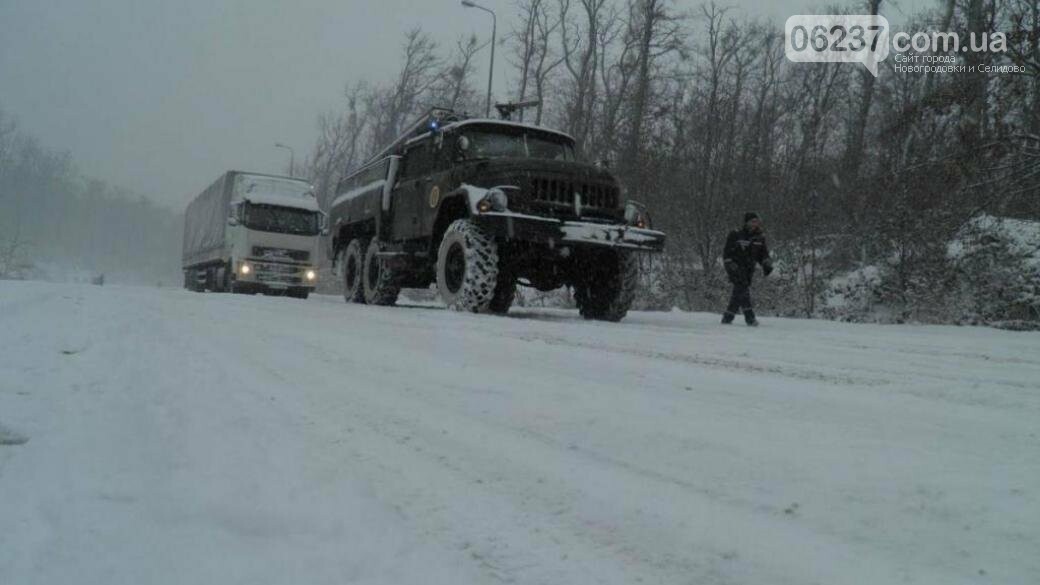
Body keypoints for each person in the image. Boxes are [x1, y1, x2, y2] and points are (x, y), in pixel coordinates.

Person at [722, 212, 773, 326]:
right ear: (747, 222)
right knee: (742, 289)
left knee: (738, 293)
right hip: (736, 268)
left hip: (749, 270)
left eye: (756, 221)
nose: (755, 224)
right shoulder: (736, 235)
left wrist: (766, 263)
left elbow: (763, 254)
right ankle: (750, 318)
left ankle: (728, 317)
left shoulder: (759, 237)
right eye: (753, 221)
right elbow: (727, 253)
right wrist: (730, 264)